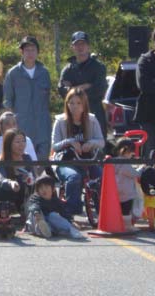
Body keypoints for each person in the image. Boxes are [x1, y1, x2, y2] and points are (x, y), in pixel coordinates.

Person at [51, 88, 104, 219]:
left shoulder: (92, 120)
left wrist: (91, 143)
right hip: (65, 160)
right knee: (74, 177)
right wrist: (70, 142)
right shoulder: (60, 121)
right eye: (71, 103)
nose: (75, 106)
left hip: (87, 159)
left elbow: (101, 141)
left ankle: (102, 209)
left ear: (84, 104)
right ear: (67, 104)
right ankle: (72, 211)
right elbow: (54, 146)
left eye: (79, 103)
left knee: (101, 176)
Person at [3, 36, 52, 160]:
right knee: (22, 160)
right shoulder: (13, 73)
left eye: (33, 50)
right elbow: (8, 101)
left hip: (42, 125)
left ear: (38, 52)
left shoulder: (44, 73)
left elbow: (47, 99)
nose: (30, 53)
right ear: (22, 52)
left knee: (42, 159)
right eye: (27, 50)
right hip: (22, 126)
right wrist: (11, 126)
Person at [0, 128, 37, 238]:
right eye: (17, 142)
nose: (21, 145)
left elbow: (34, 178)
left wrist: (29, 179)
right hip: (2, 197)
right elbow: (1, 179)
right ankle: (3, 220)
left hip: (22, 196)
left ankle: (28, 215)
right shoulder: (1, 160)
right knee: (2, 188)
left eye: (23, 141)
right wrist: (11, 183)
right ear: (9, 144)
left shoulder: (27, 158)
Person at [58, 31, 108, 138]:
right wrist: (85, 86)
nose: (80, 47)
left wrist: (73, 89)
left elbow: (99, 90)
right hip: (73, 118)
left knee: (97, 145)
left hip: (94, 113)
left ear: (88, 46)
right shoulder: (67, 70)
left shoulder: (98, 67)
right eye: (77, 44)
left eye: (83, 44)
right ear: (72, 47)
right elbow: (62, 91)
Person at [26, 173, 85, 239]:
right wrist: (36, 213)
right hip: (36, 222)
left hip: (49, 223)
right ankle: (43, 229)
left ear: (53, 189)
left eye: (46, 187)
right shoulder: (35, 198)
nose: (44, 190)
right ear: (38, 191)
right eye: (41, 188)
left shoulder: (56, 201)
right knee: (35, 214)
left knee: (53, 215)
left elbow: (64, 212)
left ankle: (70, 228)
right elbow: (34, 205)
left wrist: (71, 221)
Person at [0, 111, 38, 185]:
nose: (11, 127)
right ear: (0, 127)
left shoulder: (27, 142)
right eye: (7, 124)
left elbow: (34, 167)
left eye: (14, 123)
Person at [134, 25, 155, 158]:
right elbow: (144, 86)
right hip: (149, 116)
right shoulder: (145, 60)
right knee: (151, 153)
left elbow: (153, 85)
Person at [113, 137, 140, 232]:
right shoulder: (125, 163)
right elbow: (134, 173)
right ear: (127, 151)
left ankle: (117, 224)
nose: (132, 155)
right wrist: (141, 169)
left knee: (119, 209)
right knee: (126, 211)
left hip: (116, 190)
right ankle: (127, 226)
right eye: (132, 152)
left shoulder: (114, 161)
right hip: (126, 192)